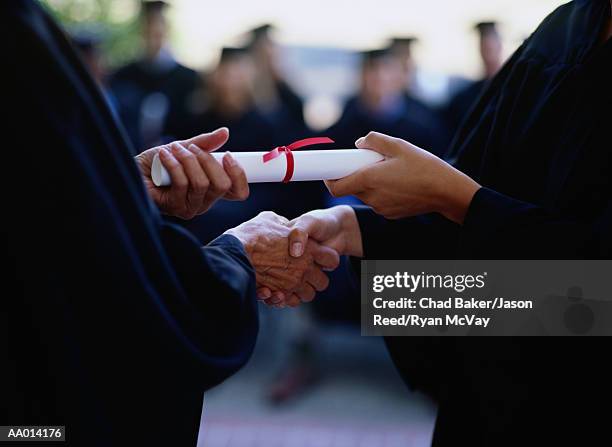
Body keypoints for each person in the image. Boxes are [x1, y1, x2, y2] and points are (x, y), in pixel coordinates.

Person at [274, 0, 612, 445]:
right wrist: (355, 229)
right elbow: (527, 293)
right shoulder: (565, 28)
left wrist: (453, 199)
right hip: (490, 379)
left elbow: (590, 298)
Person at [1, 1, 338, 445]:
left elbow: (42, 206)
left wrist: (128, 189)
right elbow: (134, 303)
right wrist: (238, 254)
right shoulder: (16, 42)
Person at [110, 0, 200, 151]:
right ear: (141, 31)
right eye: (149, 30)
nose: (154, 38)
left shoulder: (188, 79)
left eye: (159, 31)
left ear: (167, 31)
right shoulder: (123, 76)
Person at [328, 48, 446, 157]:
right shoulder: (347, 120)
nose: (380, 76)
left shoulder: (422, 122)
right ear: (362, 75)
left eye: (387, 68)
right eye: (372, 68)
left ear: (401, 75)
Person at [445, 21, 504, 146]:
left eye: (492, 43)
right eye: (484, 45)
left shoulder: (514, 88)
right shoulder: (464, 98)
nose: (488, 49)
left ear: (500, 45)